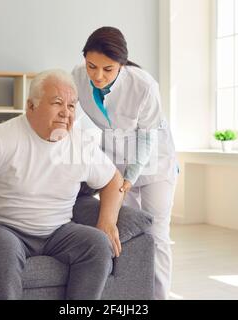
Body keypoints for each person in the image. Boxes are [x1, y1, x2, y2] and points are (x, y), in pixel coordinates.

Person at [0, 69, 125, 300]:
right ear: (31, 106)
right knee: (6, 250)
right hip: (1, 227)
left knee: (98, 244)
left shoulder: (81, 144)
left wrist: (107, 222)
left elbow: (113, 180)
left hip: (58, 230)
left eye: (72, 106)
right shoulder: (3, 138)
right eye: (57, 103)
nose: (66, 113)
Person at [72, 26, 179, 300]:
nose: (97, 76)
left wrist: (128, 179)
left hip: (156, 162)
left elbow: (147, 139)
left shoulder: (143, 85)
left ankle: (158, 296)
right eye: (91, 66)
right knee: (127, 229)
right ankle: (131, 294)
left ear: (121, 64)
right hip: (117, 161)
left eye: (107, 69)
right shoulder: (77, 78)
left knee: (157, 232)